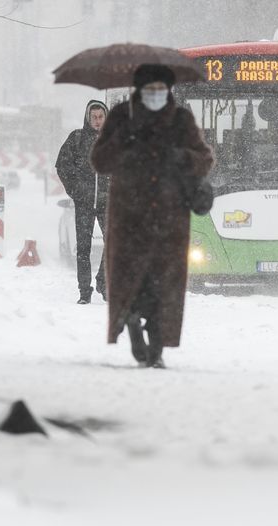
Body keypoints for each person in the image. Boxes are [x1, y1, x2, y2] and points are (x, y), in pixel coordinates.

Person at [90, 64, 214, 368]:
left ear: (168, 91)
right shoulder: (122, 116)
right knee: (132, 278)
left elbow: (204, 158)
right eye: (150, 90)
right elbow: (99, 160)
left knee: (166, 283)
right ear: (139, 91)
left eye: (161, 90)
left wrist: (181, 157)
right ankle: (131, 321)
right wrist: (124, 143)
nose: (156, 95)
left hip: (170, 218)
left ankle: (157, 347)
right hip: (129, 215)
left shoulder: (181, 120)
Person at [56, 99, 109, 304]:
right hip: (84, 203)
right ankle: (84, 292)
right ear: (88, 118)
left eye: (100, 117)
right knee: (83, 248)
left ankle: (103, 283)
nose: (97, 121)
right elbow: (62, 165)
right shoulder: (76, 139)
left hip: (107, 202)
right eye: (93, 117)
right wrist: (75, 190)